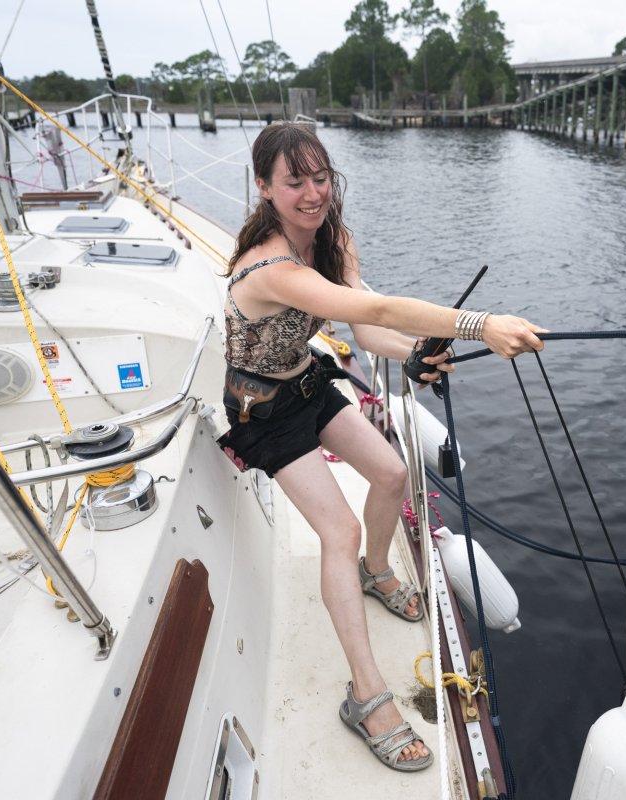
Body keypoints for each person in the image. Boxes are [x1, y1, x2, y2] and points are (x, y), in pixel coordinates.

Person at [217, 123, 545, 772]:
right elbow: (389, 310)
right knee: (335, 530)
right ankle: (366, 696)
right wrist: (482, 325)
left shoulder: (333, 239)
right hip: (261, 409)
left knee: (393, 473)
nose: (313, 193)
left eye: (321, 177)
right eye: (295, 182)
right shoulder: (270, 267)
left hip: (306, 381)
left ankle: (376, 569)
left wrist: (419, 355)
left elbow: (369, 329)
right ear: (264, 188)